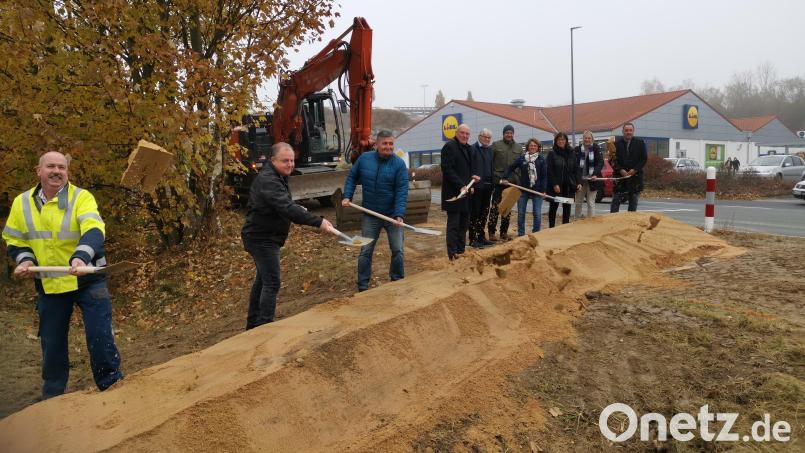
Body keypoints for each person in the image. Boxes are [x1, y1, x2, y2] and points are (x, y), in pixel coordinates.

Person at [2, 151, 123, 399]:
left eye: (62, 167)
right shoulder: (21, 203)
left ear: (67, 172)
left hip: (87, 277)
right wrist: (25, 260)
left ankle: (111, 385)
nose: (57, 171)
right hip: (50, 282)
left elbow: (94, 229)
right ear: (39, 171)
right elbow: (14, 239)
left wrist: (81, 257)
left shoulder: (81, 197)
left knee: (100, 334)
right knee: (52, 342)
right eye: (51, 166)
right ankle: (54, 397)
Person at [241, 142, 333, 329]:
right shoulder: (269, 180)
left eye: (292, 160)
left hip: (265, 236)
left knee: (263, 280)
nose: (290, 164)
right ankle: (264, 327)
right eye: (285, 161)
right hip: (261, 239)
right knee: (272, 282)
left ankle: (253, 325)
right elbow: (286, 207)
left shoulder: (277, 177)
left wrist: (297, 208)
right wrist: (318, 221)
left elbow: (279, 204)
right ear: (273, 160)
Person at [341, 130, 408, 292]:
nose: (388, 147)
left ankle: (397, 279)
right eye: (385, 143)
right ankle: (363, 285)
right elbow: (351, 177)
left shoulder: (399, 164)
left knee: (398, 249)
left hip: (392, 215)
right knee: (365, 250)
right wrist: (347, 196)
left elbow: (402, 191)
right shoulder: (364, 160)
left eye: (391, 143)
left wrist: (399, 214)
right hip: (370, 214)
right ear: (377, 144)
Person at [441, 124, 480, 260]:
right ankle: (452, 254)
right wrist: (460, 185)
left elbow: (470, 169)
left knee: (464, 224)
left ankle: (461, 251)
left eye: (467, 134)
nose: (465, 136)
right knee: (454, 225)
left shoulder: (469, 148)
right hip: (454, 193)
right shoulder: (449, 147)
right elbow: (447, 169)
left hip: (466, 192)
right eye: (462, 133)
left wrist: (473, 180)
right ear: (456, 133)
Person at [501, 138, 547, 236]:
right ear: (527, 147)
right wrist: (505, 177)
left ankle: (536, 234)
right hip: (523, 190)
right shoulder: (522, 158)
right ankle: (521, 234)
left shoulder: (541, 159)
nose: (533, 147)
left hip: (537, 191)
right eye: (531, 145)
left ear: (538, 147)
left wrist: (543, 191)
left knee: (537, 214)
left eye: (535, 146)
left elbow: (544, 176)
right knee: (521, 213)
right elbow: (510, 167)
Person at [488, 124, 521, 241]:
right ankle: (491, 232)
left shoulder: (518, 148)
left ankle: (503, 232)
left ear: (513, 134)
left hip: (511, 184)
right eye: (507, 132)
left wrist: (518, 180)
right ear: (503, 134)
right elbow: (490, 164)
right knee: (495, 208)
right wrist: (497, 179)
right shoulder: (496, 146)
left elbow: (520, 167)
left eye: (511, 133)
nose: (509, 134)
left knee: (507, 209)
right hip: (499, 183)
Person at [610, 122, 647, 213]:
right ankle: (613, 224)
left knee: (633, 204)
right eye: (626, 130)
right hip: (620, 178)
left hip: (635, 178)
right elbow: (612, 160)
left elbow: (643, 159)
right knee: (615, 203)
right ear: (623, 131)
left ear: (633, 131)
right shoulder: (616, 144)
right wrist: (620, 169)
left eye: (630, 130)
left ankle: (631, 225)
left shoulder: (640, 143)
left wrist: (634, 169)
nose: (628, 132)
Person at [546, 132, 580, 227]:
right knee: (553, 208)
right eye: (559, 140)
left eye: (563, 139)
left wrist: (578, 182)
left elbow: (576, 169)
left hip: (568, 186)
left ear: (566, 141)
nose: (561, 141)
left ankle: (565, 228)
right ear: (556, 141)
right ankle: (551, 228)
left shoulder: (571, 152)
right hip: (557, 187)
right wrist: (554, 184)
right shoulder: (552, 154)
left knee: (567, 209)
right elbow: (549, 171)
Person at [469, 128, 495, 248]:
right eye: (485, 137)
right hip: (477, 187)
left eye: (489, 138)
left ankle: (481, 236)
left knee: (484, 212)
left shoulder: (490, 150)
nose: (487, 139)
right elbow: (469, 168)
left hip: (488, 186)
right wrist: (471, 184)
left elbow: (491, 167)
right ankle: (473, 238)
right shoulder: (473, 149)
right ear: (479, 136)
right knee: (475, 213)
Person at [574, 131, 604, 219]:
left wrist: (595, 174)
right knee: (578, 202)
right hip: (580, 180)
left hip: (593, 179)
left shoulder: (596, 149)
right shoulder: (577, 150)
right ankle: (577, 219)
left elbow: (600, 162)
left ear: (592, 139)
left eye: (589, 138)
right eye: (585, 138)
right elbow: (574, 165)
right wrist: (577, 179)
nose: (587, 140)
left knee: (590, 202)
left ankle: (591, 221)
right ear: (583, 139)